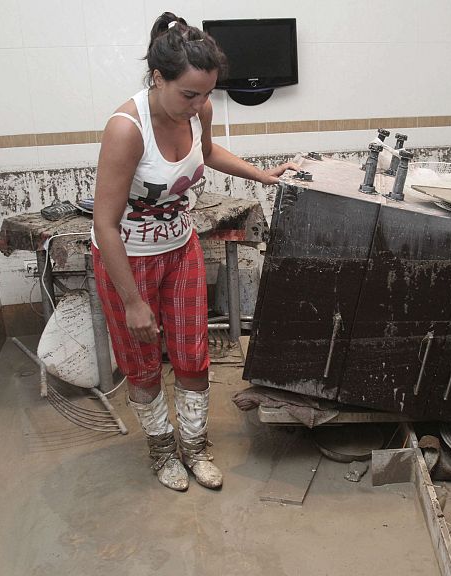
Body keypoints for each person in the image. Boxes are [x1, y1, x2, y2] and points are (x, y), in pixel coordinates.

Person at [91, 12, 298, 491]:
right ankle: (162, 450)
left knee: (192, 356)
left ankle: (195, 446)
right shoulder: (127, 129)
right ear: (157, 78)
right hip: (128, 262)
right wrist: (133, 301)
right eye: (189, 94)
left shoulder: (198, 110)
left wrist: (263, 174)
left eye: (208, 93)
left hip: (180, 248)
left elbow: (208, 152)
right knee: (142, 364)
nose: (201, 104)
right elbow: (104, 224)